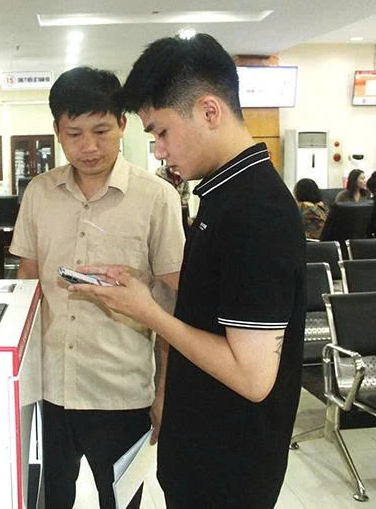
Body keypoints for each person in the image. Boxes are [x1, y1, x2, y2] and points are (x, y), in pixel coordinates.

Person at [70, 34, 306, 507]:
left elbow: (252, 376)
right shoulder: (223, 194)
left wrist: (149, 314)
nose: (159, 150)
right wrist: (147, 289)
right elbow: (211, 310)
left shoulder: (256, 211)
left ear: (209, 111)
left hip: (230, 468)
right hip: (202, 451)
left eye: (161, 132)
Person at [8, 66, 184, 509]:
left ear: (123, 124)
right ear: (57, 132)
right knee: (47, 500)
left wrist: (165, 391)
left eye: (102, 131)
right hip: (48, 390)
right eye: (74, 134)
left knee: (121, 502)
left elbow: (172, 303)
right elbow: (27, 282)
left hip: (122, 392)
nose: (88, 147)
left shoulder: (156, 197)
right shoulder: (39, 193)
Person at [155, 163, 192, 233]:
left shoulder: (183, 175)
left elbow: (186, 192)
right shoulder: (160, 175)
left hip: (180, 207)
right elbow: (158, 193)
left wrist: (183, 200)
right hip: (166, 206)